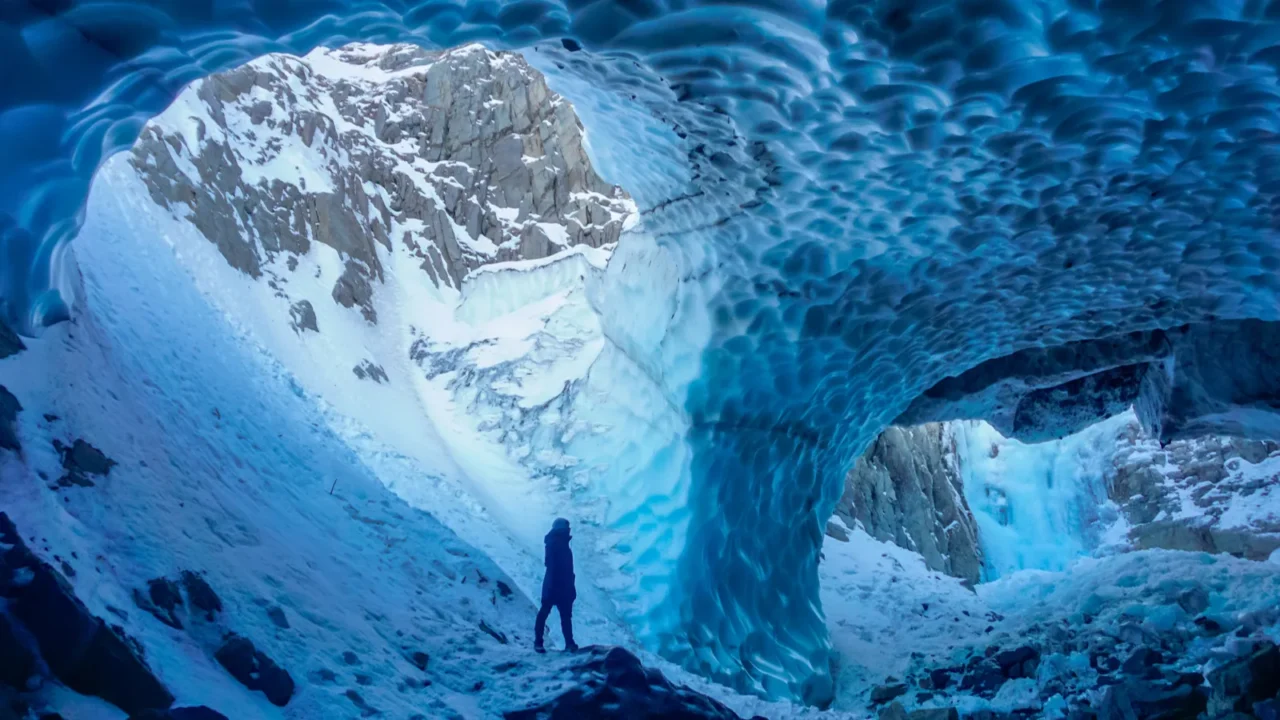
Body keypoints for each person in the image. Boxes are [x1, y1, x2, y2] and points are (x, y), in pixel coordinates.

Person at [534, 517, 577, 653]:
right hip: (558, 585)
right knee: (561, 615)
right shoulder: (556, 544)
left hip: (557, 585)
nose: (569, 530)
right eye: (567, 528)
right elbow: (555, 567)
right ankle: (542, 642)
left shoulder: (556, 543)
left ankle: (541, 642)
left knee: (549, 613)